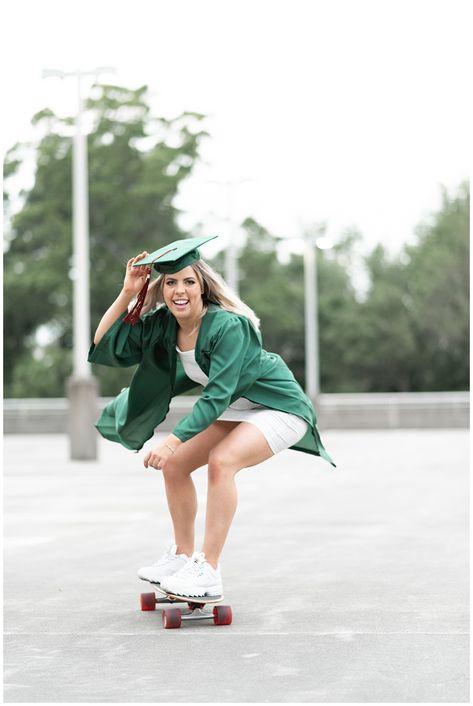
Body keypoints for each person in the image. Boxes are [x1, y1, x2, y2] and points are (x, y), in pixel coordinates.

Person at [88, 235, 335, 599]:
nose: (179, 290)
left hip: (278, 407)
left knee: (222, 462)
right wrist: (128, 293)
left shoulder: (228, 326)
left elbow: (217, 396)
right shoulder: (163, 325)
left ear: (202, 286)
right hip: (237, 410)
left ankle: (208, 570)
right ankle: (182, 557)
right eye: (170, 282)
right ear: (162, 288)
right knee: (175, 467)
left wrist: (172, 440)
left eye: (188, 281)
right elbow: (104, 344)